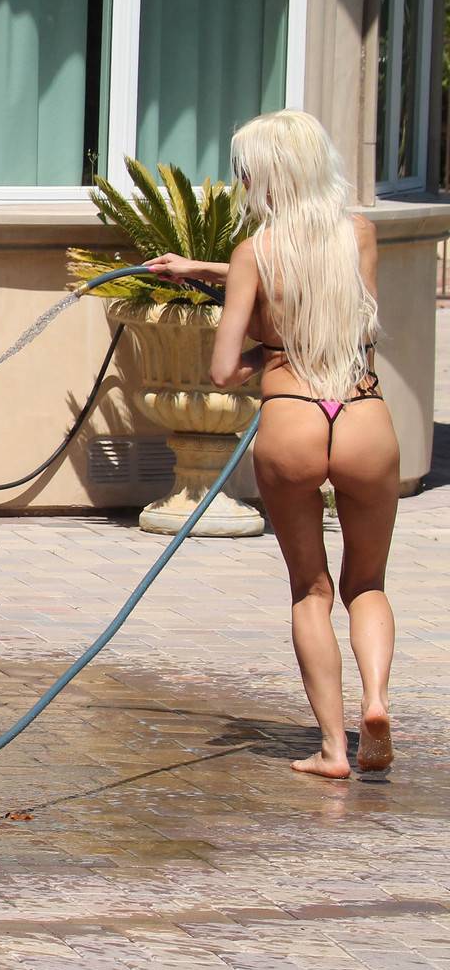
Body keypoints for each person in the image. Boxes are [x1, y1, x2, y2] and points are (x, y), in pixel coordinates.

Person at [148, 110, 398, 780]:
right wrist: (200, 267)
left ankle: (332, 749)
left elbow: (224, 370)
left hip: (292, 417)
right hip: (363, 414)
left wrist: (269, 352)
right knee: (366, 582)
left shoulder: (253, 253)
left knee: (308, 588)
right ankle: (374, 702)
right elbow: (352, 310)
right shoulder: (361, 235)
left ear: (265, 175)